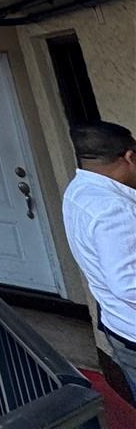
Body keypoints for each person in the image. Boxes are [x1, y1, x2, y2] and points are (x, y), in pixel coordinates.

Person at [63, 120, 136, 393]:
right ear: (129, 157)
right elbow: (128, 284)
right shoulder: (114, 209)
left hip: (118, 324)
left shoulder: (78, 191)